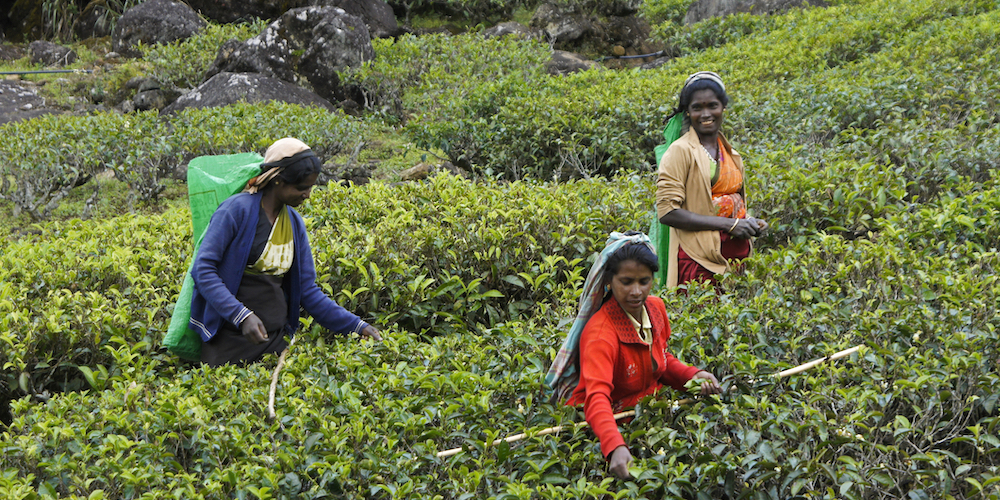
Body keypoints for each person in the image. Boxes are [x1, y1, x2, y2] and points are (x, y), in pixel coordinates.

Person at [189, 137, 382, 367]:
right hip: (228, 343)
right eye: (301, 188)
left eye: (310, 187)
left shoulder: (293, 223)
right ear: (278, 181)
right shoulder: (235, 211)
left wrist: (357, 326)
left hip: (274, 344)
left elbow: (308, 291)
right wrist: (241, 316)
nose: (308, 194)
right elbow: (203, 270)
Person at [546, 231, 722, 480]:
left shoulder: (656, 309)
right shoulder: (600, 333)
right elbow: (597, 397)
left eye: (644, 281)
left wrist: (694, 376)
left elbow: (660, 359)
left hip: (646, 413)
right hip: (604, 424)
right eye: (626, 282)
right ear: (609, 280)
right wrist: (614, 446)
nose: (637, 291)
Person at [653, 71, 768, 288]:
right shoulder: (680, 151)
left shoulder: (729, 151)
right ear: (688, 112)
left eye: (712, 106)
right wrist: (730, 224)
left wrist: (749, 221)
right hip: (700, 261)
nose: (706, 114)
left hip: (738, 261)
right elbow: (668, 212)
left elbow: (721, 202)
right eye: (697, 108)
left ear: (723, 107)